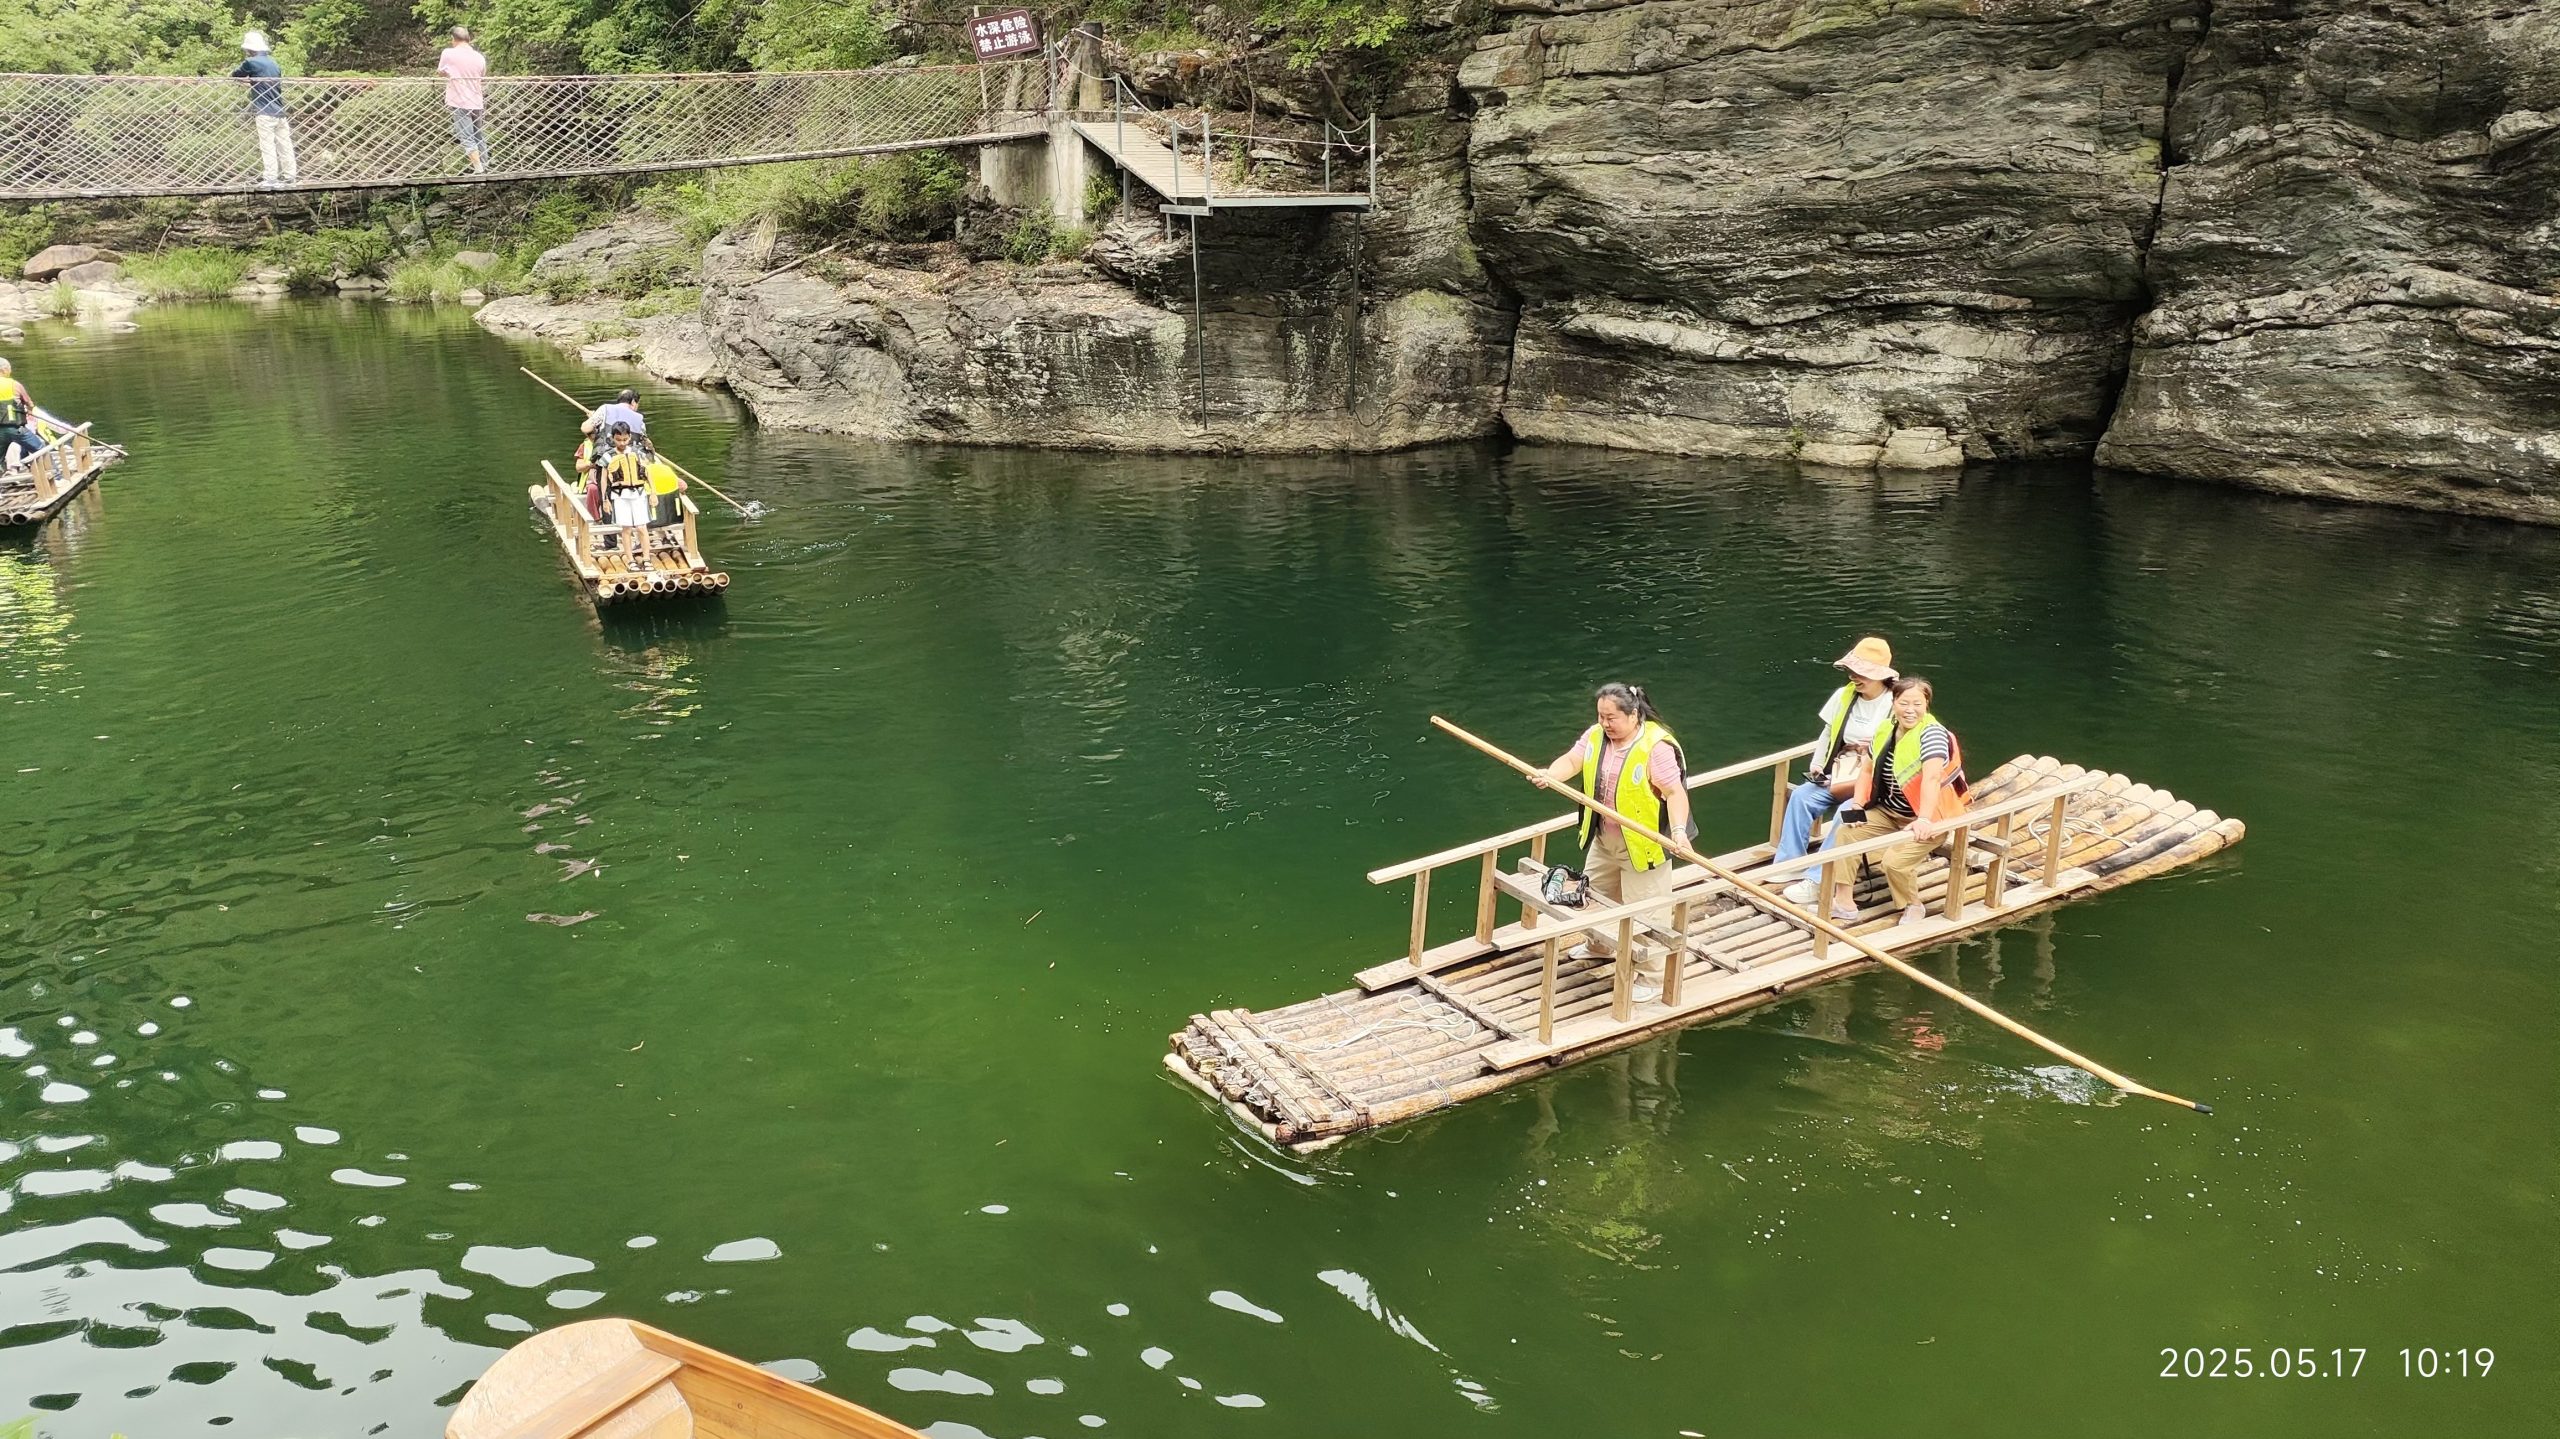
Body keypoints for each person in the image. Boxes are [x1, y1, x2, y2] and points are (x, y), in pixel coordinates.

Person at [1532, 683, 1697, 1004]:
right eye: (1601, 716)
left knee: (1648, 912)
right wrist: (1551, 775)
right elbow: (1572, 760)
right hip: (1605, 836)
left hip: (1643, 843)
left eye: (1612, 718)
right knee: (1593, 895)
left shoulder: (1656, 747)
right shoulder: (1595, 736)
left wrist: (1677, 831)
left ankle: (1651, 974)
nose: (1605, 724)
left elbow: (1675, 793)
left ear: (1634, 715)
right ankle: (1599, 945)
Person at [1815, 675, 1969, 927]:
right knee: (1846, 832)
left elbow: (1931, 778)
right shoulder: (1886, 729)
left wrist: (1924, 819)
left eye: (1917, 704)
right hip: (1889, 809)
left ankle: (1912, 905)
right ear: (1894, 702)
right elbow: (1866, 770)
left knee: (1893, 863)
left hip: (1927, 815)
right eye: (1904, 703)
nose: (1910, 710)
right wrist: (1857, 805)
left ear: (1926, 705)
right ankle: (1844, 902)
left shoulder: (1931, 735)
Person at [1776, 636, 1900, 903]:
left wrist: (1876, 745)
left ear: (1880, 676)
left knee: (1848, 813)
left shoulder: (1896, 703)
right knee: (1802, 796)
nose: (1855, 677)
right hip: (1843, 771)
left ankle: (1819, 880)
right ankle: (1789, 862)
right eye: (1853, 671)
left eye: (1862, 673)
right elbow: (1828, 731)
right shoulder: (1844, 695)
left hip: (1877, 783)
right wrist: (1818, 763)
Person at [232, 31, 297, 187]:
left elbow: (235, 74)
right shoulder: (274, 64)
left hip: (264, 111)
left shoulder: (250, 62)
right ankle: (290, 176)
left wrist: (247, 80)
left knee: (267, 146)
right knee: (284, 144)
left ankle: (270, 178)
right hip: (280, 112)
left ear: (249, 49)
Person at [597, 423, 656, 564]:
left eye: (625, 439)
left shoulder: (637, 453)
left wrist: (653, 493)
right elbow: (604, 480)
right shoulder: (607, 456)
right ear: (613, 439)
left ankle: (647, 558)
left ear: (629, 437)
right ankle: (630, 560)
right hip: (620, 496)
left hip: (639, 494)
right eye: (618, 440)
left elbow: (647, 473)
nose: (622, 443)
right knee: (627, 528)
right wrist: (605, 499)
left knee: (642, 527)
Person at [436, 26, 491, 174]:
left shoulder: (448, 53)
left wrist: (451, 74)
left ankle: (478, 169)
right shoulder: (479, 57)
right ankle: (485, 166)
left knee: (466, 137)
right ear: (469, 39)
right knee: (478, 135)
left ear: (453, 39)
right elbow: (482, 75)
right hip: (477, 101)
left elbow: (441, 72)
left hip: (460, 101)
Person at [0, 359, 43, 470]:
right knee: (40, 449)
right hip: (16, 429)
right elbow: (29, 403)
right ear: (3, 370)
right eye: (9, 369)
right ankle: (57, 478)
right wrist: (29, 410)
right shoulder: (14, 385)